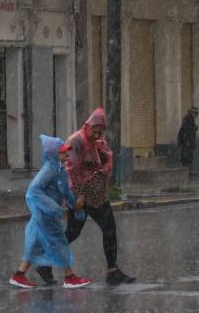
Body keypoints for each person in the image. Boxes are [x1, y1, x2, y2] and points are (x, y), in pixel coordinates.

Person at [38, 108, 135, 286]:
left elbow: (109, 158)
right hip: (78, 194)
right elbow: (71, 170)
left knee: (109, 229)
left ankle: (113, 270)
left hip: (97, 193)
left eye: (101, 131)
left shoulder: (98, 141)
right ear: (87, 126)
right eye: (95, 130)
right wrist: (79, 196)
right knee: (72, 233)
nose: (97, 134)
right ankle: (44, 261)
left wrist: (103, 171)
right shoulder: (77, 141)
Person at [9, 135, 93, 289]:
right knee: (59, 243)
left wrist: (75, 206)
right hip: (46, 216)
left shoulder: (59, 169)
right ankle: (69, 277)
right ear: (53, 153)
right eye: (62, 152)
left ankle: (18, 275)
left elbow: (65, 191)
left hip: (44, 215)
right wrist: (53, 208)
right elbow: (32, 191)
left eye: (66, 151)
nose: (66, 154)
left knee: (35, 244)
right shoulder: (49, 170)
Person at [177, 107, 198, 173]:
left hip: (187, 142)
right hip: (187, 142)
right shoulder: (188, 119)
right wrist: (188, 141)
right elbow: (187, 131)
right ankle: (187, 172)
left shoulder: (189, 119)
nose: (196, 115)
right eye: (195, 113)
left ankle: (188, 171)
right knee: (187, 157)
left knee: (188, 157)